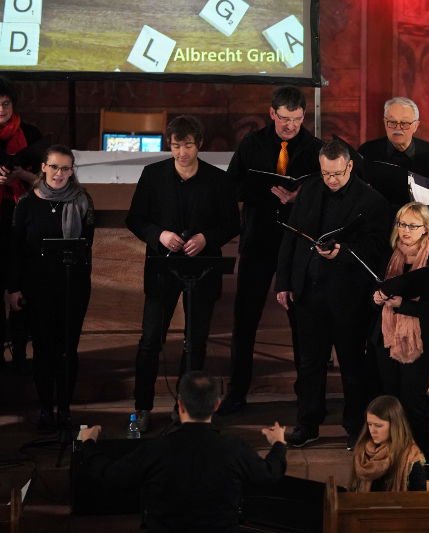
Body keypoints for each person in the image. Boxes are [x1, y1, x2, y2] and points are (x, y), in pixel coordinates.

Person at [275, 139, 391, 449]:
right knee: (309, 364)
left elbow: (380, 249)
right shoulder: (310, 191)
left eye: (338, 173)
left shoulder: (372, 200)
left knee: (352, 365)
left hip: (349, 298)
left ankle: (354, 426)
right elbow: (292, 238)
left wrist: (343, 253)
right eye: (327, 174)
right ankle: (308, 423)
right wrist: (284, 282)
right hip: (309, 294)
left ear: (350, 166)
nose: (332, 180)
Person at [126, 115, 239, 432]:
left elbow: (232, 223)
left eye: (188, 145)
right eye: (176, 146)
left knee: (196, 341)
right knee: (150, 341)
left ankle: (187, 407)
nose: (182, 153)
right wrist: (159, 235)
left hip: (201, 269)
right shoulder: (153, 175)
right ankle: (143, 406)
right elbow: (135, 219)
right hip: (163, 268)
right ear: (170, 145)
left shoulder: (217, 180)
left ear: (198, 145)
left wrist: (206, 238)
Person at [219, 86, 323, 416]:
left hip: (296, 245)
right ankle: (237, 391)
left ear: (303, 116)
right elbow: (231, 185)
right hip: (259, 240)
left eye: (295, 119)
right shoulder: (252, 144)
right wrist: (261, 189)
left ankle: (305, 391)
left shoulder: (316, 148)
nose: (290, 126)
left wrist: (299, 197)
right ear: (271, 114)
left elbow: (327, 190)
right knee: (245, 319)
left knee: (302, 319)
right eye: (283, 119)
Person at [77, 370, 287, 533]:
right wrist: (278, 443)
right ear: (216, 405)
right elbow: (269, 474)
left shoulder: (155, 449)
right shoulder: (234, 449)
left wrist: (87, 443)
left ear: (179, 405)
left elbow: (111, 475)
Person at [5, 145, 94, 431]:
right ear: (43, 167)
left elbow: (86, 247)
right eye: (54, 167)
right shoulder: (27, 203)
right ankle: (45, 409)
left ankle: (65, 409)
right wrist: (14, 288)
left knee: (68, 349)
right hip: (37, 288)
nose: (59, 173)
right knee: (43, 349)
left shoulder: (82, 200)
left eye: (65, 168)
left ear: (72, 171)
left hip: (72, 287)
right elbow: (15, 251)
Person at [371, 202, 429, 476]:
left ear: (426, 229)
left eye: (412, 226)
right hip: (387, 338)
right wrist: (378, 297)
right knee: (391, 403)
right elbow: (374, 289)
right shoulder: (389, 255)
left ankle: (425, 469)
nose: (405, 231)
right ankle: (394, 467)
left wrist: (401, 303)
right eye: (402, 224)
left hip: (420, 340)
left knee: (413, 404)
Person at [1, 76, 42, 373]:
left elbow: (45, 181)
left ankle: (20, 353)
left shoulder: (30, 133)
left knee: (21, 289)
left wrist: (20, 176)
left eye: (6, 104)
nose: (1, 109)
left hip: (23, 222)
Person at [358, 97, 429, 200]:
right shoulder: (367, 152)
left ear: (416, 126)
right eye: (392, 122)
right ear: (384, 122)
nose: (398, 128)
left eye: (404, 123)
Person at [351, 395, 427, 492]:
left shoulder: (411, 459)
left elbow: (418, 499)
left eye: (378, 426)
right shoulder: (362, 451)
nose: (372, 431)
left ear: (394, 426)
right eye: (369, 424)